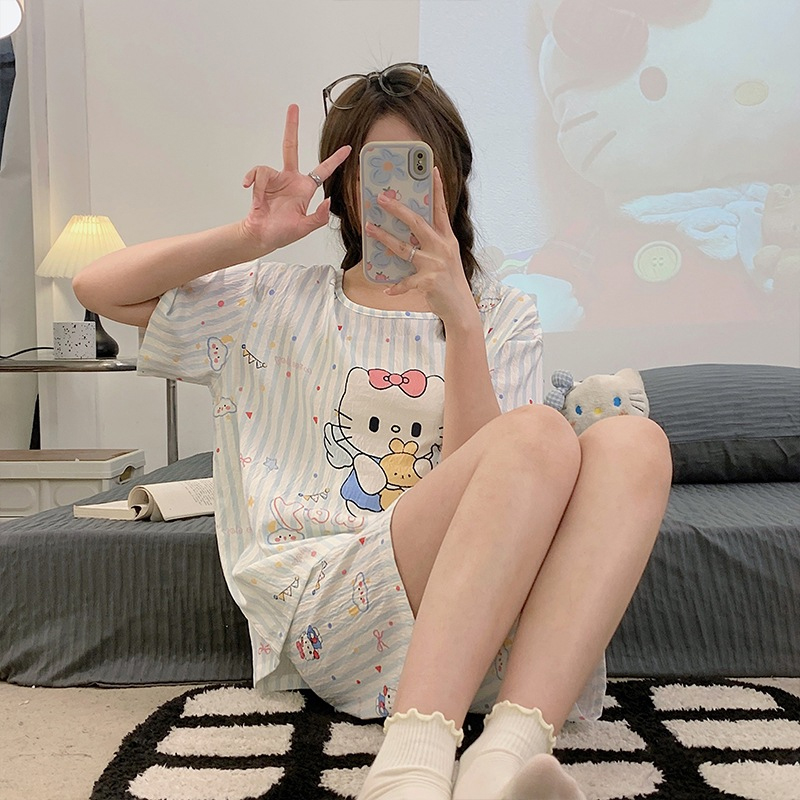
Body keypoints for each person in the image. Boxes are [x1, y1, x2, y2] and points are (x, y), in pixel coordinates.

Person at [74, 63, 672, 800]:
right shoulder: (270, 300)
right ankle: (411, 763)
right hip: (340, 603)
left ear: (451, 178)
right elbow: (97, 287)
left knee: (634, 442)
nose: (392, 196)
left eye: (414, 168)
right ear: (343, 191)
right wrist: (250, 236)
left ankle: (505, 756)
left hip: (490, 609)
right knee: (539, 434)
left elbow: (498, 500)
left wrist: (460, 321)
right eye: (373, 172)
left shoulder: (500, 313)